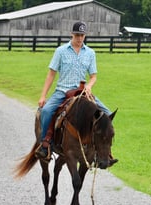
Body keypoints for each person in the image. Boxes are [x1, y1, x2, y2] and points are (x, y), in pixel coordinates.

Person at [35, 21, 117, 166]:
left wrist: (89, 87)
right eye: (77, 35)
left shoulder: (90, 53)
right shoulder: (61, 51)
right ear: (72, 34)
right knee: (46, 111)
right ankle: (45, 145)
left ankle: (103, 151)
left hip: (82, 92)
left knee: (107, 114)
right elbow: (51, 74)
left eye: (82, 35)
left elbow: (93, 76)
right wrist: (43, 96)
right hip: (63, 91)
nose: (79, 38)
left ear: (85, 36)